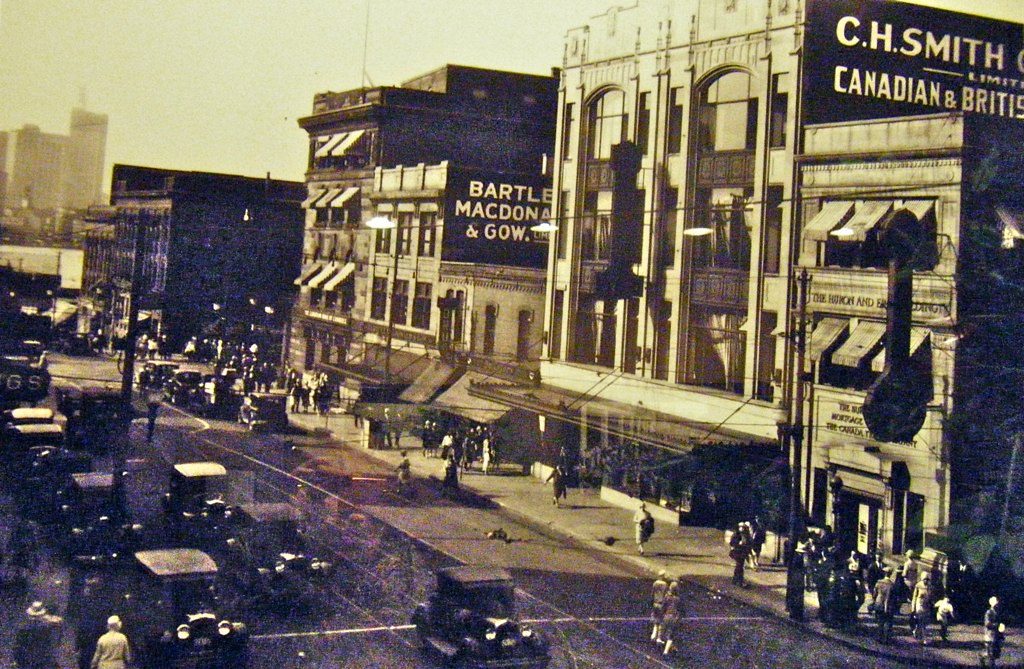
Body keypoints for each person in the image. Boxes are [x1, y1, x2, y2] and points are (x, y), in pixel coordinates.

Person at [14, 601, 62, 669]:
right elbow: (52, 644)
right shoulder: (47, 628)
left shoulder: (23, 628)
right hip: (42, 660)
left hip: (28, 660)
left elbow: (18, 647)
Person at [872, 568, 898, 644]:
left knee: (880, 622)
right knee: (888, 622)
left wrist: (874, 601)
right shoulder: (891, 585)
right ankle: (886, 638)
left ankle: (879, 637)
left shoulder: (878, 582)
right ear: (890, 574)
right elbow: (893, 597)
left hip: (878, 603)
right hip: (888, 605)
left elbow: (874, 594)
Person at [659, 580, 684, 655]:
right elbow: (681, 610)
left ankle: (659, 641)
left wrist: (661, 615)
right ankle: (666, 651)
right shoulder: (678, 599)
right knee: (671, 635)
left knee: (663, 631)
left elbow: (663, 607)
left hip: (666, 616)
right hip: (674, 618)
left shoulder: (667, 597)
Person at [911, 572, 933, 644]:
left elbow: (931, 596)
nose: (926, 581)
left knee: (924, 622)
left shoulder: (930, 586)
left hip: (926, 606)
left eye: (927, 579)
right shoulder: (918, 585)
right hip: (919, 605)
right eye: (924, 579)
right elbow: (914, 597)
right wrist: (913, 608)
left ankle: (916, 632)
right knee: (921, 621)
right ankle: (924, 638)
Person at [983, 596, 1005, 667]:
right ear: (992, 603)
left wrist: (1001, 633)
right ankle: (992, 665)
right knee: (991, 652)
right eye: (996, 601)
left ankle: (983, 658)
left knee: (995, 651)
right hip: (990, 635)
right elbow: (987, 624)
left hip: (996, 635)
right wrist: (997, 625)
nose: (997, 603)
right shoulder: (989, 612)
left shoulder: (998, 612)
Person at [650, 570, 669, 642]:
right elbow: (665, 594)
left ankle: (653, 635)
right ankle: (659, 637)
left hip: (655, 602)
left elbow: (652, 593)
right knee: (661, 621)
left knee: (655, 620)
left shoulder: (655, 583)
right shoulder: (665, 584)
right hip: (661, 603)